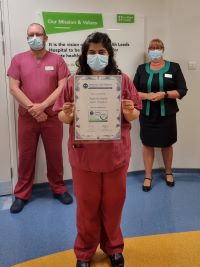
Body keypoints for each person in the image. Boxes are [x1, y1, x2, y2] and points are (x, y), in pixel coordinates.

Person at [53, 32, 142, 267]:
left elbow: (134, 114)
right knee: (86, 207)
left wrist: (128, 110)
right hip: (85, 157)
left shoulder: (122, 80)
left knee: (114, 205)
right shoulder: (74, 82)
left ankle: (114, 247)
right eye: (91, 52)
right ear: (85, 55)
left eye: (101, 52)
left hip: (115, 155)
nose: (96, 56)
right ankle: (84, 252)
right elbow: (62, 115)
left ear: (109, 54)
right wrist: (68, 114)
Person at [7, 23, 73, 213]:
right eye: (30, 34)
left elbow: (62, 87)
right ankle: (21, 194)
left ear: (45, 37)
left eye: (38, 34)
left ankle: (58, 188)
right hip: (27, 118)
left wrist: (43, 106)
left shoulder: (57, 60)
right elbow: (13, 87)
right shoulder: (18, 60)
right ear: (27, 37)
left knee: (55, 155)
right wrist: (33, 109)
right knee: (26, 156)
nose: (34, 37)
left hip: (52, 117)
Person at [133, 38, 188, 192]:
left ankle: (168, 172)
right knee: (147, 144)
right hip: (147, 114)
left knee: (167, 144)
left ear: (163, 49)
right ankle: (148, 176)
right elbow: (132, 91)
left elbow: (182, 90)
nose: (155, 50)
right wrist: (147, 96)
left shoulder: (174, 68)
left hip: (167, 114)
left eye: (158, 47)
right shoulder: (141, 69)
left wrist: (164, 94)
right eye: (152, 47)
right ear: (148, 50)